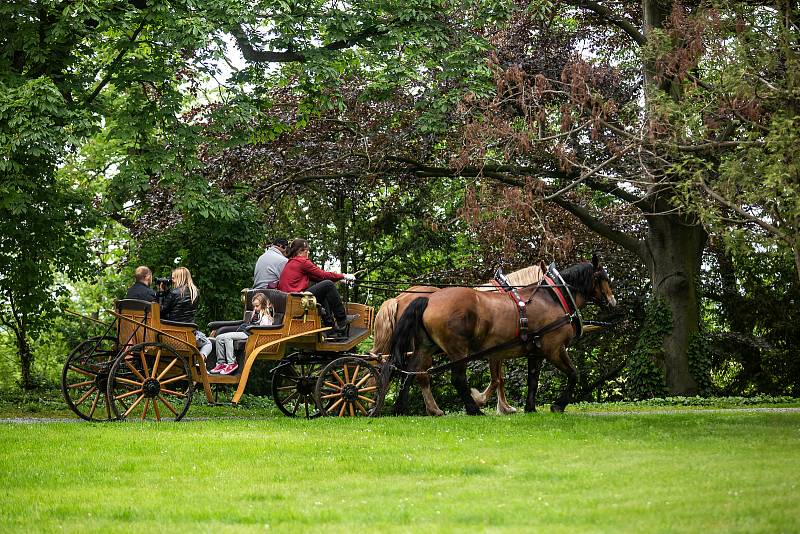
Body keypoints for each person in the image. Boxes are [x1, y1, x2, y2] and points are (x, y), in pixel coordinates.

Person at [277, 238, 358, 335]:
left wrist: (339, 279)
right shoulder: (302, 262)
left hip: (291, 301)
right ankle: (341, 318)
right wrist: (343, 275)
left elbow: (317, 277)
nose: (308, 253)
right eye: (307, 250)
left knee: (323, 290)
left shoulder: (291, 262)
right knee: (328, 284)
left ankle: (330, 327)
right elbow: (322, 275)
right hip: (298, 300)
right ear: (302, 251)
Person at [210, 293, 273, 375]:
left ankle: (232, 363)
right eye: (254, 306)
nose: (255, 308)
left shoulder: (265, 316)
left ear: (263, 304)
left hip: (252, 334)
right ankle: (221, 363)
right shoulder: (255, 313)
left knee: (227, 338)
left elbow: (265, 330)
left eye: (257, 306)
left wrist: (252, 328)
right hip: (246, 331)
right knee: (219, 337)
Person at [160, 266, 213, 357]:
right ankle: (201, 358)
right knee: (208, 343)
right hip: (189, 334)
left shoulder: (174, 293)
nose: (171, 280)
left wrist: (162, 293)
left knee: (207, 342)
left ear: (179, 278)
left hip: (172, 333)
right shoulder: (195, 292)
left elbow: (161, 312)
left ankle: (199, 360)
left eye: (173, 278)